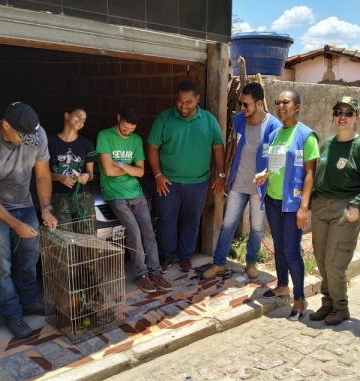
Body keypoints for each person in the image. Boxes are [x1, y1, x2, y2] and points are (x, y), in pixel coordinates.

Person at [0, 102, 58, 338]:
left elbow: (42, 175)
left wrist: (46, 208)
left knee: (29, 254)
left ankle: (29, 301)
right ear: (5, 125)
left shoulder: (37, 135)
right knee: (1, 264)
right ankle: (12, 314)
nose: (29, 141)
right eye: (23, 136)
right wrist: (15, 224)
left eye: (32, 135)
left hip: (24, 202)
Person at [309, 97, 360, 326]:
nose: (342, 116)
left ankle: (341, 307)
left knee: (335, 262)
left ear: (357, 117)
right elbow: (319, 176)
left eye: (349, 113)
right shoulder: (327, 144)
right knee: (320, 258)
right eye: (338, 111)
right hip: (321, 207)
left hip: (345, 207)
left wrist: (357, 204)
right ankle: (328, 302)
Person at [202, 82, 281, 279]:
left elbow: (278, 160)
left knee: (256, 228)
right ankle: (219, 263)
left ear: (260, 103)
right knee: (228, 224)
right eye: (240, 104)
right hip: (238, 183)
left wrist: (267, 176)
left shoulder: (273, 126)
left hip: (259, 188)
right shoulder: (239, 120)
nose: (242, 108)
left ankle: (251, 264)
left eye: (246, 104)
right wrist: (224, 176)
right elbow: (233, 148)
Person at [254, 89, 319, 320]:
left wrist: (304, 208)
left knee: (291, 250)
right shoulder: (274, 135)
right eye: (278, 103)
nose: (281, 106)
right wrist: (264, 175)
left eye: (286, 102)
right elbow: (274, 166)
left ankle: (299, 298)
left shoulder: (306, 136)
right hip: (272, 199)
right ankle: (282, 285)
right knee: (279, 246)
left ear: (297, 106)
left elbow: (310, 174)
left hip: (292, 204)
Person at [147, 80, 225, 273]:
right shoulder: (164, 119)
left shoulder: (208, 120)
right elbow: (152, 147)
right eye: (180, 101)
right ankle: (165, 255)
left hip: (198, 182)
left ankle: (185, 256)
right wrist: (157, 175)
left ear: (197, 98)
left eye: (189, 102)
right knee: (166, 220)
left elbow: (218, 146)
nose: (183, 106)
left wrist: (221, 174)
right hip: (168, 183)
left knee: (192, 220)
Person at [96, 106, 173, 293]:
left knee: (148, 232)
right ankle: (142, 275)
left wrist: (120, 164)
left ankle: (155, 271)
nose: (127, 131)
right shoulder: (105, 136)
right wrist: (129, 168)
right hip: (115, 193)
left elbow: (141, 171)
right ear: (118, 118)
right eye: (124, 126)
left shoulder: (136, 140)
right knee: (134, 231)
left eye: (131, 128)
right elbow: (107, 171)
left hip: (135, 192)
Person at [48, 107, 95, 225]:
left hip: (82, 197)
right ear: (67, 115)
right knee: (64, 240)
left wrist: (86, 176)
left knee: (87, 239)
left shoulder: (87, 144)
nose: (81, 122)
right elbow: (40, 174)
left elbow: (91, 174)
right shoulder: (50, 142)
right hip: (58, 197)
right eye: (78, 117)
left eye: (84, 120)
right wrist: (59, 177)